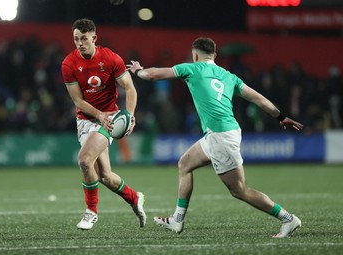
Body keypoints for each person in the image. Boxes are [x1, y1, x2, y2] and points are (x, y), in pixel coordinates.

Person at [127, 37, 303, 238]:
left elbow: (151, 75)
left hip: (220, 136)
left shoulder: (193, 68)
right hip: (220, 133)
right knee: (184, 164)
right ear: (215, 55)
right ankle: (177, 220)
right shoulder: (229, 76)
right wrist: (281, 117)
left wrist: (138, 70)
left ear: (195, 55)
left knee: (240, 191)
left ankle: (288, 218)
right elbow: (259, 99)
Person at [61, 18, 146, 230]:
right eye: (76, 39)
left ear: (94, 38)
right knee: (106, 177)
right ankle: (135, 198)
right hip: (86, 120)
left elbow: (130, 87)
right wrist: (98, 115)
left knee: (84, 160)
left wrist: (130, 114)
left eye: (83, 38)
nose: (80, 43)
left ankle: (91, 212)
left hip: (110, 118)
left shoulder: (110, 58)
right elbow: (78, 101)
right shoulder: (68, 64)